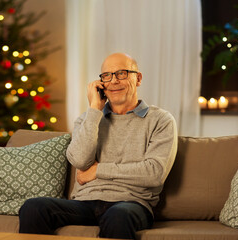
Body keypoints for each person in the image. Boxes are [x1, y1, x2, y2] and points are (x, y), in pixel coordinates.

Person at [19, 52, 178, 239]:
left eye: (122, 73)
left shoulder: (161, 120)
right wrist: (94, 110)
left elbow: (154, 173)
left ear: (138, 78)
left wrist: (97, 171)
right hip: (84, 203)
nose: (113, 81)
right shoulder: (87, 120)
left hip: (130, 203)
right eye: (107, 76)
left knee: (118, 216)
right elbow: (79, 160)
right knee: (34, 207)